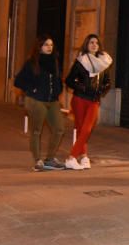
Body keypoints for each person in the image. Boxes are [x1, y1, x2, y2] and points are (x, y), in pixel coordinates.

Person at [14, 35, 66, 171]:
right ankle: (38, 160)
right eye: (46, 45)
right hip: (36, 100)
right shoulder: (32, 63)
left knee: (59, 128)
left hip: (52, 101)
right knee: (36, 131)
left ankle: (50, 158)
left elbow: (58, 79)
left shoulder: (54, 62)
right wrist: (33, 89)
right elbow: (18, 81)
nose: (49, 47)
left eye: (51, 45)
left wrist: (58, 91)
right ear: (39, 47)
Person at [63, 34, 112, 170]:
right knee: (81, 129)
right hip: (79, 99)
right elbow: (69, 80)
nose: (94, 45)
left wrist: (102, 90)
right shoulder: (81, 61)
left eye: (96, 43)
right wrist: (82, 87)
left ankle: (71, 157)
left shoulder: (104, 62)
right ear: (86, 44)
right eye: (91, 42)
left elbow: (107, 82)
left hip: (94, 101)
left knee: (86, 129)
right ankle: (84, 157)